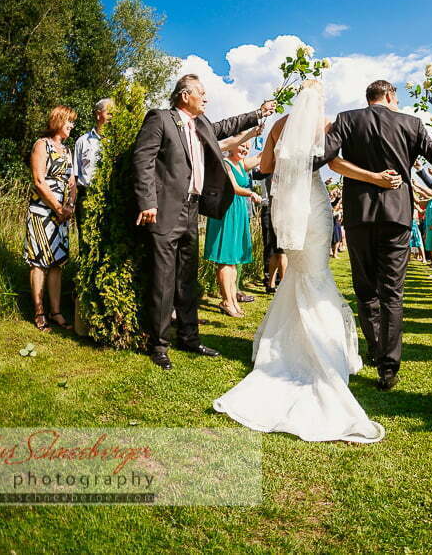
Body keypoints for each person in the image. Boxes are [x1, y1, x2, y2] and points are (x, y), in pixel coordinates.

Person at [213, 80, 399, 442]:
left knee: (298, 274)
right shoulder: (326, 124)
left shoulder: (282, 124)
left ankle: (286, 347)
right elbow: (338, 163)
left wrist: (280, 156)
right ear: (320, 100)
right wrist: (373, 176)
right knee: (315, 275)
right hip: (313, 207)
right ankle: (322, 351)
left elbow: (265, 167)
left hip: (287, 207)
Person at [313, 80, 432, 390]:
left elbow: (323, 155)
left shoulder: (347, 119)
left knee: (365, 287)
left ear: (370, 97)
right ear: (390, 96)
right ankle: (388, 368)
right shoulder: (411, 124)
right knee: (391, 291)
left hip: (359, 216)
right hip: (397, 216)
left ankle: (375, 350)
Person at [132, 74, 275, 370]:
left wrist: (258, 113)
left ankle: (189, 337)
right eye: (202, 93)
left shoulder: (202, 125)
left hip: (192, 209)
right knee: (163, 278)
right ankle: (158, 345)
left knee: (187, 278)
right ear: (185, 95)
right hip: (164, 210)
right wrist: (147, 202)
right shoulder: (160, 119)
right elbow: (142, 160)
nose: (206, 98)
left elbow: (228, 126)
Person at [25, 105, 77, 331]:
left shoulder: (67, 150)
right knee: (39, 262)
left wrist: (70, 206)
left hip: (62, 214)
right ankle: (39, 312)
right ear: (58, 120)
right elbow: (38, 181)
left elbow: (72, 182)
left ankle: (56, 312)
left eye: (73, 122)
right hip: (42, 211)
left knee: (57, 263)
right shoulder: (41, 144)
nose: (72, 126)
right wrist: (57, 206)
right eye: (69, 121)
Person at [204, 139, 261, 317]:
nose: (245, 149)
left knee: (234, 260)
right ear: (233, 145)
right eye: (242, 145)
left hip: (238, 211)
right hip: (226, 211)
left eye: (247, 147)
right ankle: (226, 300)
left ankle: (233, 299)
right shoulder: (226, 163)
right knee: (226, 258)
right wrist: (251, 193)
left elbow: (262, 156)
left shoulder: (241, 164)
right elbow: (234, 188)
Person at [72, 98, 113, 232]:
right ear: (98, 114)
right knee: (85, 238)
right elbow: (74, 175)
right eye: (109, 113)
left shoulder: (116, 142)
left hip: (109, 198)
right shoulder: (82, 141)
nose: (112, 117)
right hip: (86, 196)